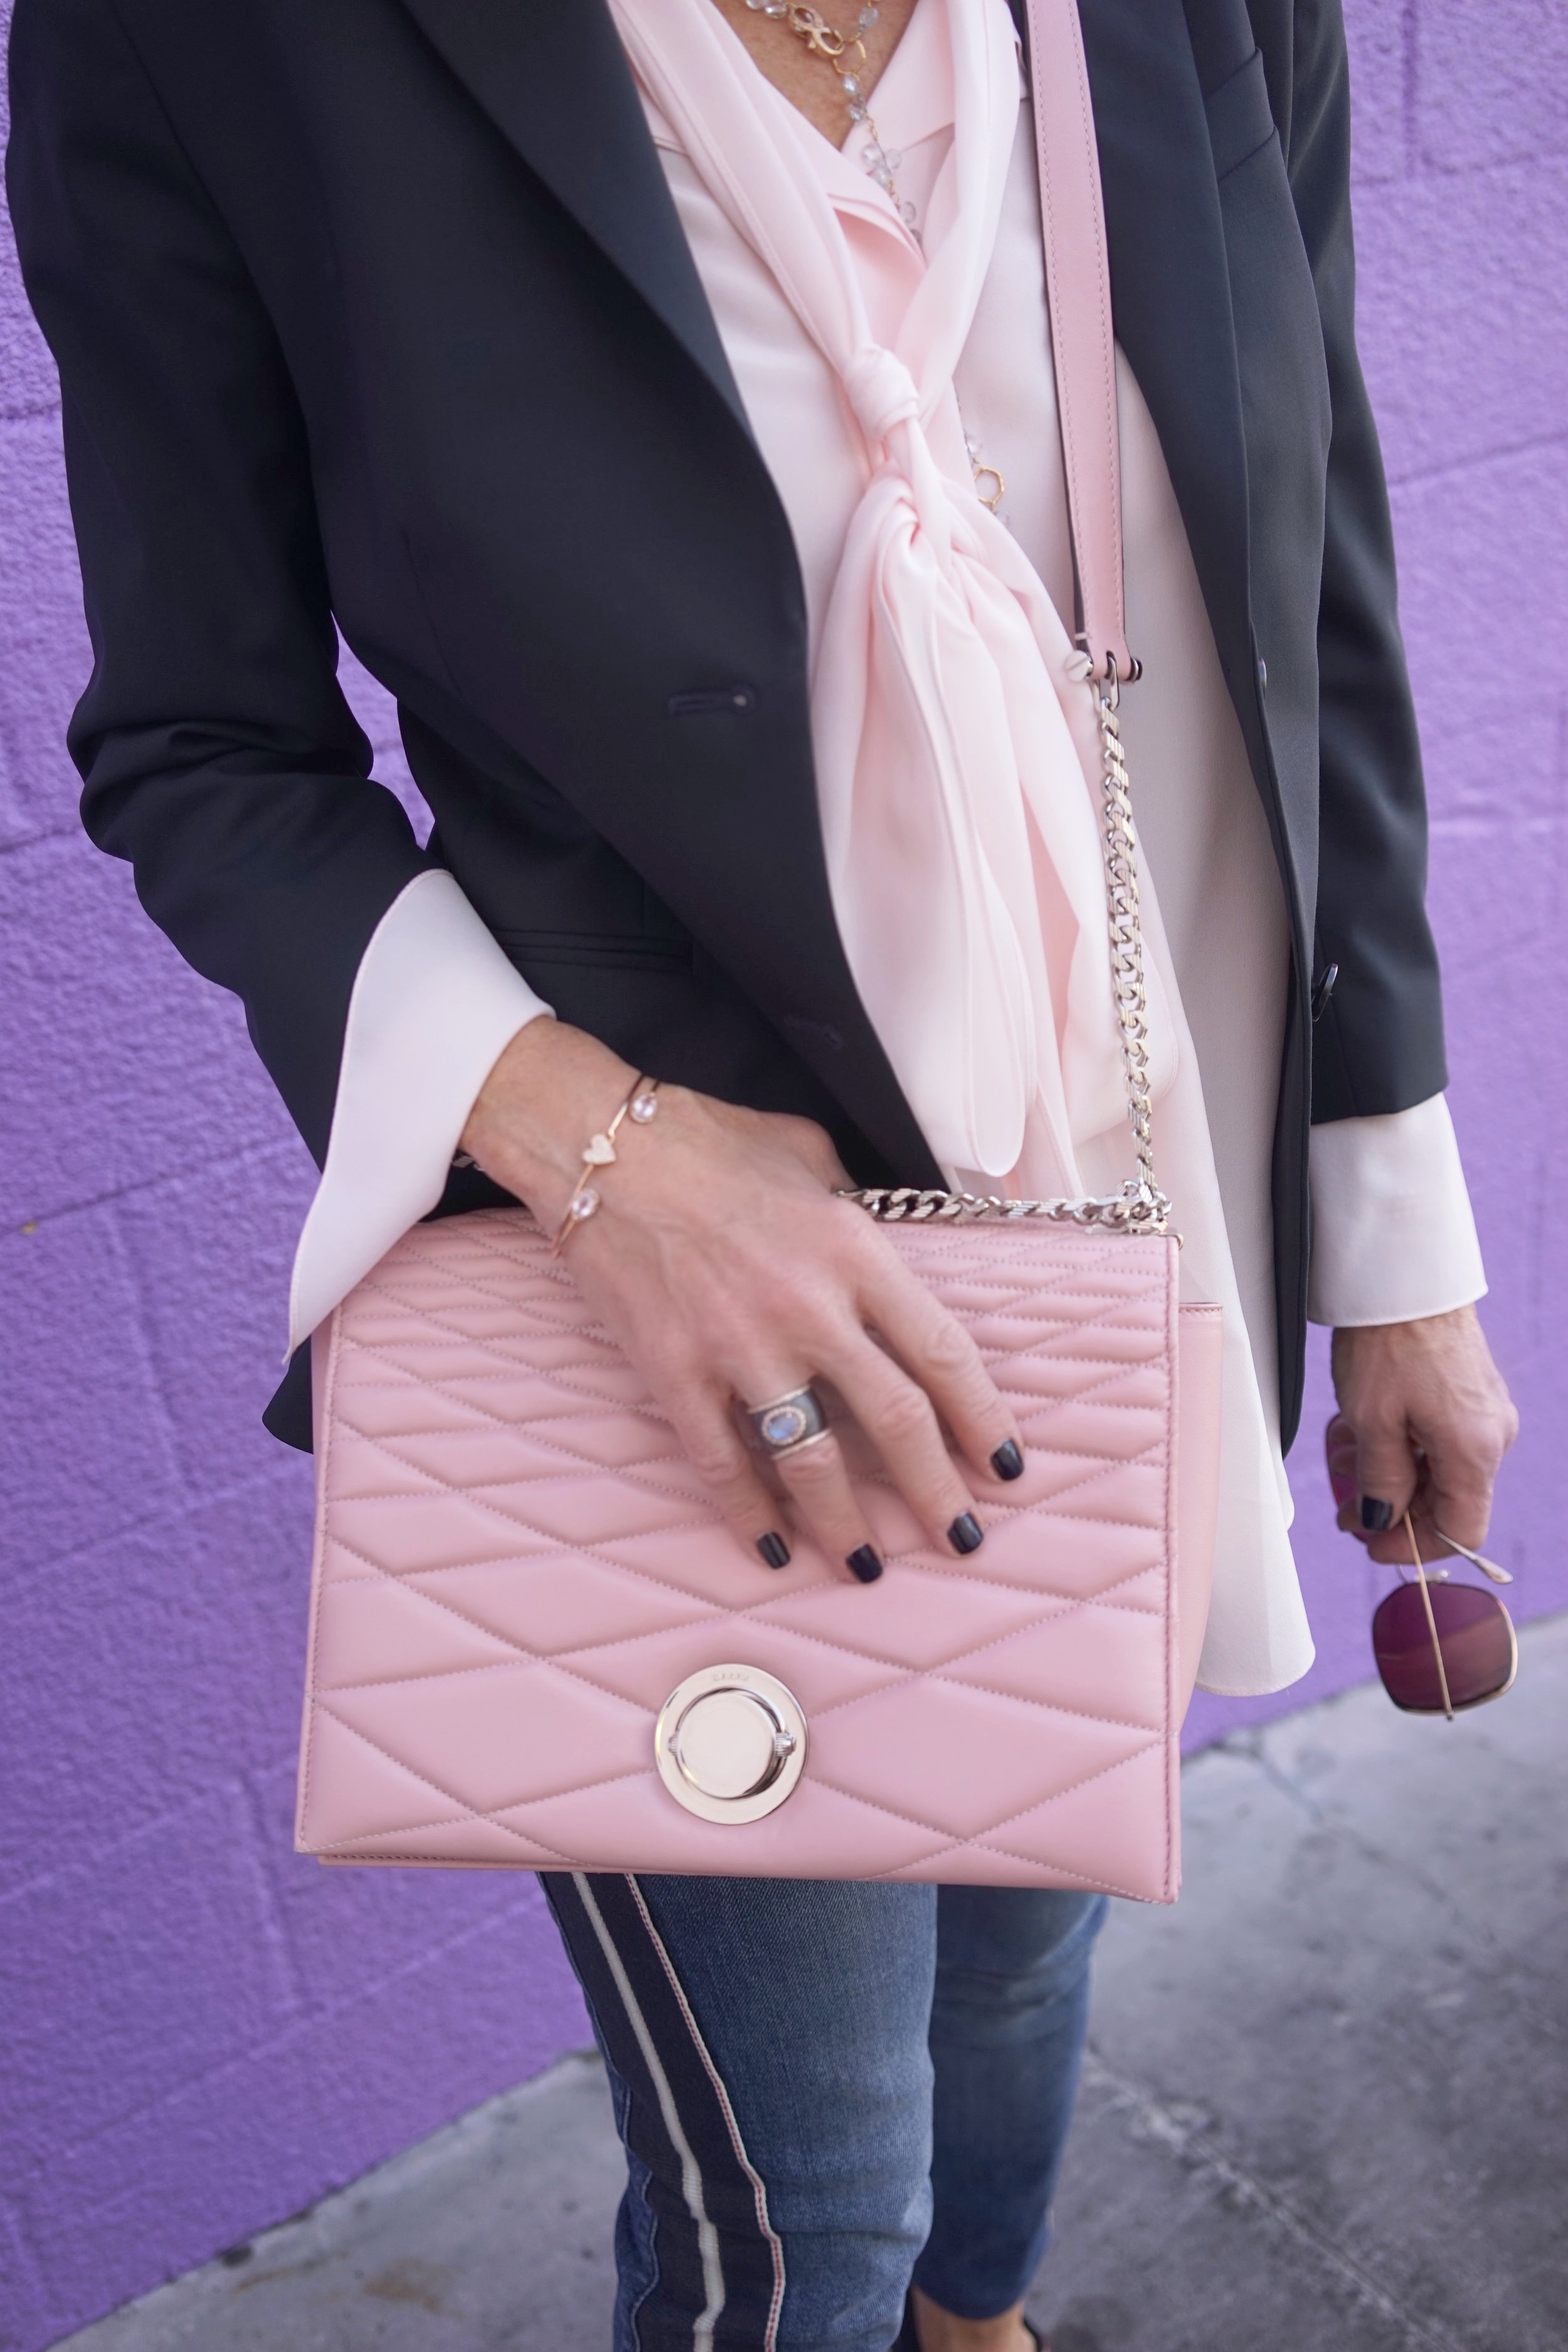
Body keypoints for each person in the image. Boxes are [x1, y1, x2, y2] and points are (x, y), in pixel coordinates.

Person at [8, 0, 1517, 2344]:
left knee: (1024, 1973)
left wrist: (1395, 1230)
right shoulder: (212, 38)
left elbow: (1314, 590)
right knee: (801, 2214)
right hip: (683, 1340)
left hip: (1132, 1253)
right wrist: (606, 1158)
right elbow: (206, 743)